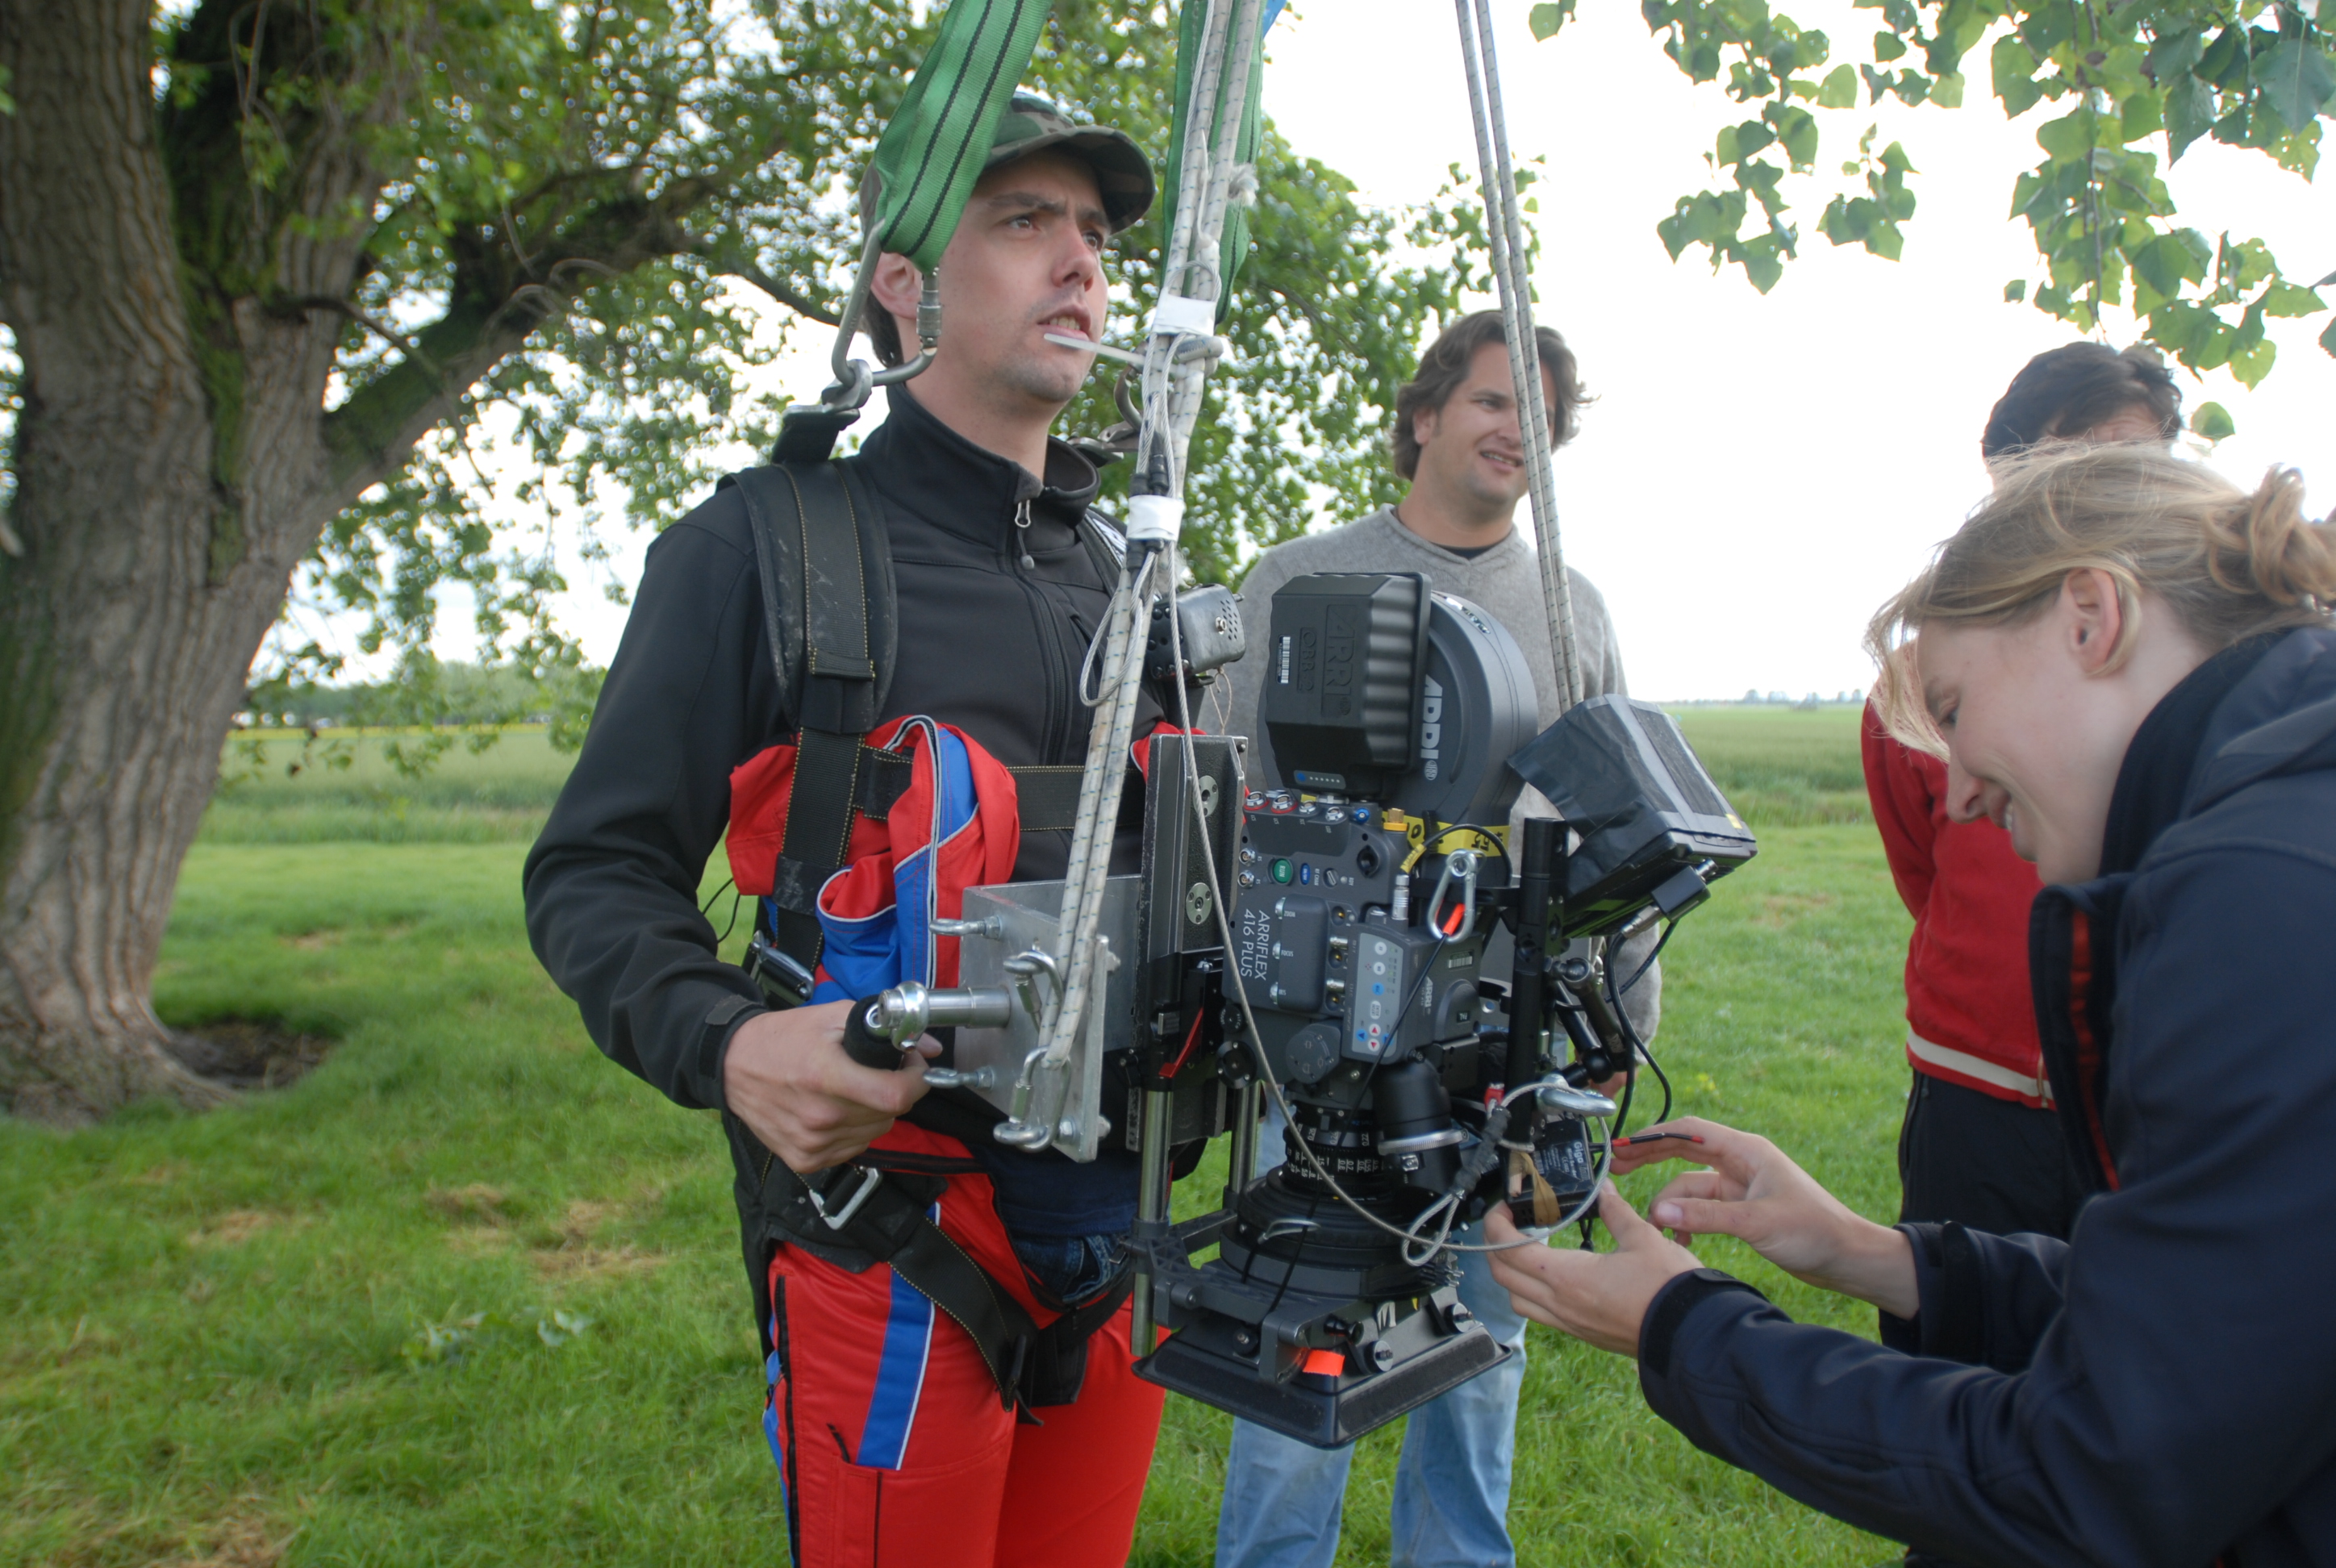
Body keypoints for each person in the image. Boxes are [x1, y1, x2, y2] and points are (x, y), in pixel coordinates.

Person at [524, 94, 1178, 1568]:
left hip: (1125, 1230)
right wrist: (726, 1041)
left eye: (1092, 233)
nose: (1077, 261)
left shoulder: (1133, 584)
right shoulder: (765, 548)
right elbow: (594, 870)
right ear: (904, 285)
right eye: (1022, 222)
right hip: (893, 1229)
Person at [1487, 442, 2336, 1566]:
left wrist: (1681, 1328)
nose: (1963, 788)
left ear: (2093, 616)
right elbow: (2226, 1321)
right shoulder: (2282, 841)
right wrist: (1878, 1256)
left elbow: (2099, 1474)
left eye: (1953, 705)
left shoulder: (2259, 897)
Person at [1213, 311, 1650, 1568]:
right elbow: (1225, 811)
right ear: (1424, 415)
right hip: (1323, 1038)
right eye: (1495, 402)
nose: (1522, 432)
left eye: (1543, 417)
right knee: (1305, 1330)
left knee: (1484, 1348)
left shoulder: (1572, 610)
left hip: (1508, 1042)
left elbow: (1615, 833)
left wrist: (1622, 1025)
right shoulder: (1298, 582)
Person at [1867, 342, 2184, 1250]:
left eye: (2140, 461)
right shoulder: (1918, 678)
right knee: (1957, 1332)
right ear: (2009, 481)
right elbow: (1923, 872)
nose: (2118, 492)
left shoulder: (2206, 681)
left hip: (2145, 1091)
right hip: (1973, 1092)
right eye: (2085, 461)